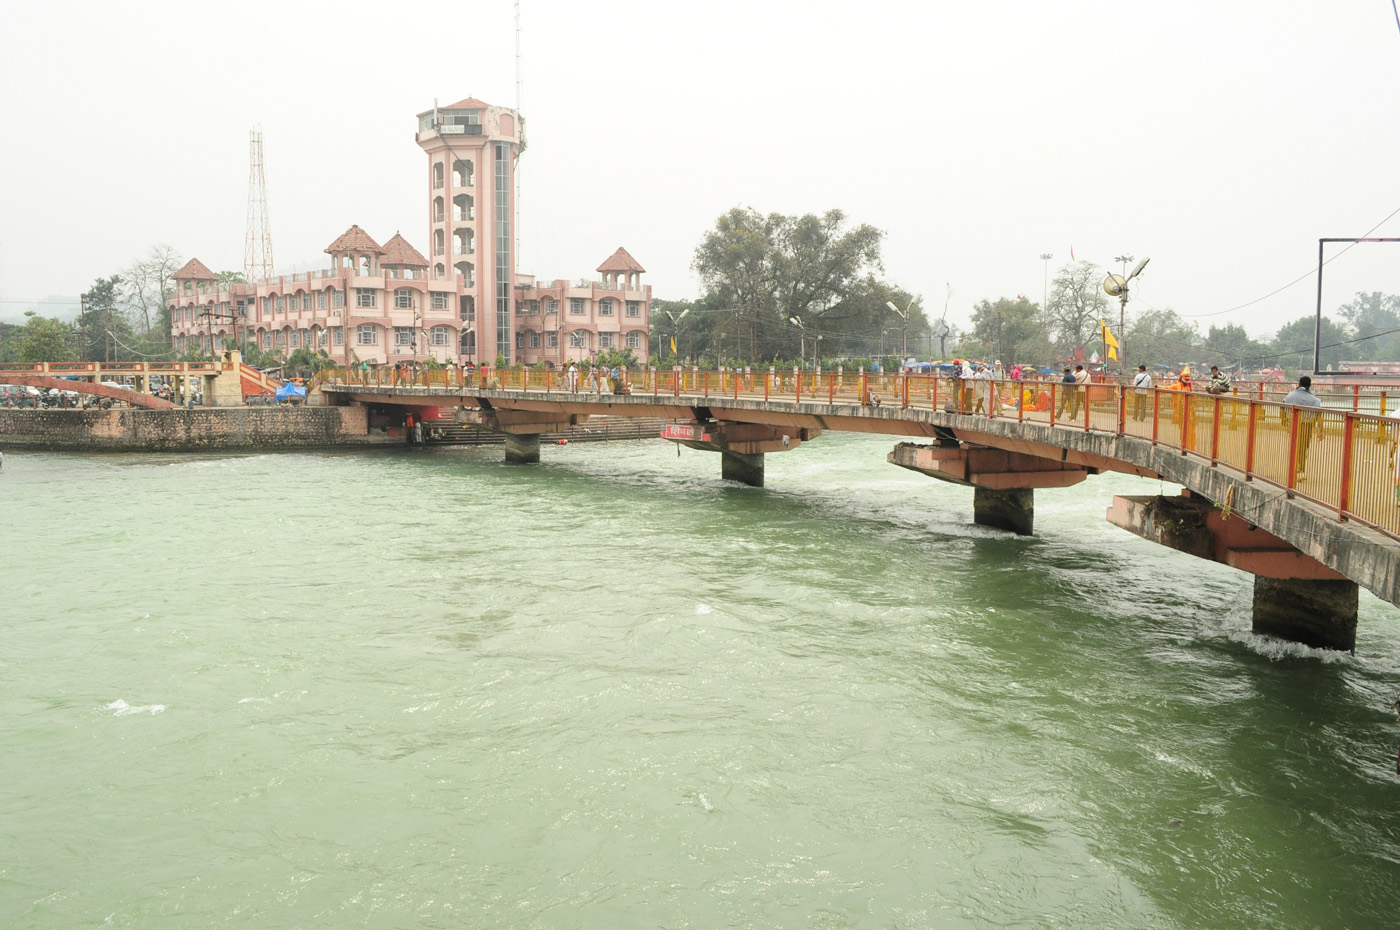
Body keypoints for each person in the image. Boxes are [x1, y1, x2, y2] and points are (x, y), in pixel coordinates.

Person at [1283, 375, 1323, 478]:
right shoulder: (1314, 399)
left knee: (1294, 445)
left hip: (1293, 424)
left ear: (1299, 384)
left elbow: (1282, 409)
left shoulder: (1290, 396)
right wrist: (1321, 430)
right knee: (1304, 447)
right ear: (1310, 385)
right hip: (1307, 425)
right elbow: (1319, 415)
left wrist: (1284, 422)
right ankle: (1301, 469)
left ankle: (1293, 467)